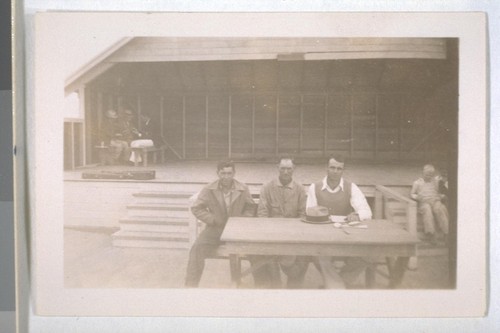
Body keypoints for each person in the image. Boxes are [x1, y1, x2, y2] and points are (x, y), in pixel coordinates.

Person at [185, 160, 256, 287]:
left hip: (238, 230)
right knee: (196, 249)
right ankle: (190, 287)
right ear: (218, 173)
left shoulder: (243, 188)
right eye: (223, 173)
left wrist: (242, 220)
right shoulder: (209, 189)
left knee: (257, 251)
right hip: (216, 229)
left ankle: (265, 287)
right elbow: (197, 208)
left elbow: (250, 207)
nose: (226, 177)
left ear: (234, 173)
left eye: (229, 173)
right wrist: (212, 219)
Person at [306, 154, 373, 289]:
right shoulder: (315, 187)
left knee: (368, 255)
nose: (335, 171)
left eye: (339, 168)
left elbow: (367, 212)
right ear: (327, 168)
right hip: (323, 235)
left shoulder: (351, 187)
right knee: (318, 254)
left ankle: (336, 284)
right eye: (332, 168)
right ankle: (339, 287)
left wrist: (357, 215)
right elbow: (309, 212)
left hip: (346, 235)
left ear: (343, 170)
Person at [250, 155, 308, 288]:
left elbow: (302, 215)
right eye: (283, 169)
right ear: (278, 169)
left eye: (289, 169)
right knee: (265, 258)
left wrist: (293, 233)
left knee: (299, 261)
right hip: (271, 234)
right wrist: (270, 234)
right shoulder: (267, 187)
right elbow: (262, 214)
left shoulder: (300, 189)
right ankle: (274, 286)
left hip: (292, 235)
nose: (286, 172)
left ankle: (292, 291)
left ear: (294, 169)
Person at [410, 164, 449, 244]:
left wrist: (441, 196)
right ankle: (431, 233)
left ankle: (446, 232)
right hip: (424, 202)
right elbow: (412, 194)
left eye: (431, 175)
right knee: (427, 211)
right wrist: (417, 197)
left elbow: (439, 192)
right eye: (427, 174)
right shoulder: (417, 183)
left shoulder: (435, 182)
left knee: (440, 209)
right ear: (423, 173)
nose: (428, 177)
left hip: (435, 200)